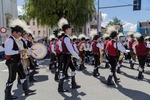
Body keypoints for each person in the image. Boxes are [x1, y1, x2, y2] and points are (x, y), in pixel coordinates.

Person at [4, 19, 36, 99]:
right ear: (14, 32)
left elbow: (21, 50)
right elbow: (7, 52)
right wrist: (19, 51)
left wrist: (26, 51)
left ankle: (26, 90)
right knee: (12, 78)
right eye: (19, 34)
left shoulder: (16, 40)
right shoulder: (10, 40)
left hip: (17, 61)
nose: (20, 35)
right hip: (12, 62)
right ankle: (7, 95)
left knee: (23, 75)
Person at [58, 18, 81, 92]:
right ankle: (60, 87)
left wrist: (65, 52)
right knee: (64, 72)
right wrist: (78, 57)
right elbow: (71, 49)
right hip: (66, 57)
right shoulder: (66, 38)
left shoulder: (63, 38)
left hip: (66, 56)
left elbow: (61, 48)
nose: (70, 30)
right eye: (70, 29)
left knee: (73, 68)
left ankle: (73, 84)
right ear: (67, 30)